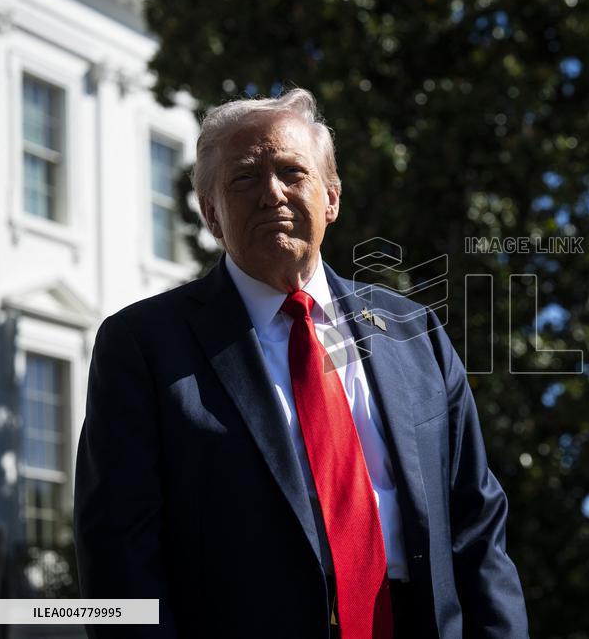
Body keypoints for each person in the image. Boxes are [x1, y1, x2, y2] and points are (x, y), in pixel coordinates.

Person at [73, 88, 528, 638]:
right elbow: (118, 555)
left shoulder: (415, 333)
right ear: (211, 213)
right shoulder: (142, 345)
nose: (272, 193)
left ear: (332, 197)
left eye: (293, 172)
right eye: (244, 177)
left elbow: (476, 528)